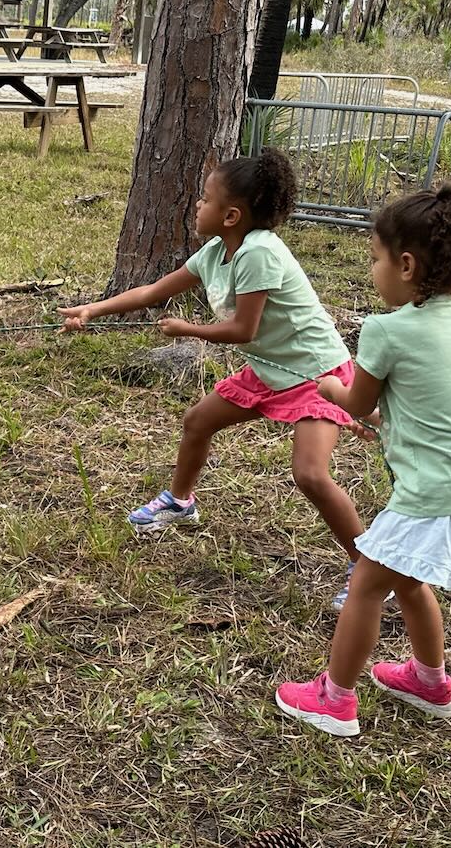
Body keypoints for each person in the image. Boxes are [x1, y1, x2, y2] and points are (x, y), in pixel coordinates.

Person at [58, 150, 368, 607]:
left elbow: (244, 329)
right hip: (270, 369)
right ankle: (180, 502)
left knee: (309, 474)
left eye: (205, 200)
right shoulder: (217, 251)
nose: (197, 207)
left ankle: (367, 564)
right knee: (198, 420)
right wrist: (93, 309)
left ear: (232, 215)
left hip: (314, 373)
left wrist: (189, 330)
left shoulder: (259, 253)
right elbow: (154, 290)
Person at [275, 180, 451, 737]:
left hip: (439, 492)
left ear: (405, 265)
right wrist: (390, 422)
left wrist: (332, 391)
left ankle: (333, 700)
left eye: (374, 258)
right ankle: (430, 683)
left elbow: (357, 400)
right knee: (409, 580)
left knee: (367, 582)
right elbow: (443, 407)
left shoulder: (386, 329)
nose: (373, 270)